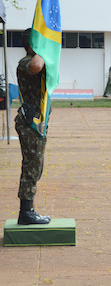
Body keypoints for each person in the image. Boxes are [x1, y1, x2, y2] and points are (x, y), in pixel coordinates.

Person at [15, 28, 52, 225]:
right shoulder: (25, 63)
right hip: (30, 122)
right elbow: (36, 66)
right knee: (32, 166)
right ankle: (26, 213)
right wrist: (41, 47)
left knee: (35, 166)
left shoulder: (34, 59)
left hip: (37, 123)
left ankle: (27, 211)